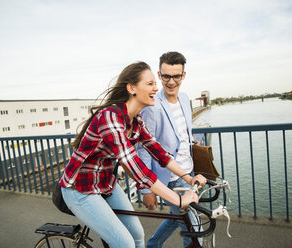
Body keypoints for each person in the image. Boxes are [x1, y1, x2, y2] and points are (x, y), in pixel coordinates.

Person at [59, 61, 207, 248]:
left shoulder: (135, 120)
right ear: (132, 88)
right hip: (80, 188)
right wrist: (179, 199)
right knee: (125, 243)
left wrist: (188, 178)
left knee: (137, 234)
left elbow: (160, 153)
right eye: (150, 83)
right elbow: (138, 171)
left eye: (155, 83)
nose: (156, 88)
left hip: (105, 182)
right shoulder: (110, 117)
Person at [137, 52, 203, 248]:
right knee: (193, 226)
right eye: (166, 76)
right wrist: (146, 189)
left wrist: (191, 143)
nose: (171, 81)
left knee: (178, 218)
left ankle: (153, 245)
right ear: (159, 75)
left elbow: (181, 132)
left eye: (176, 76)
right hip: (171, 177)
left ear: (184, 75)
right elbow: (143, 148)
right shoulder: (152, 107)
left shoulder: (184, 98)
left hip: (188, 169)